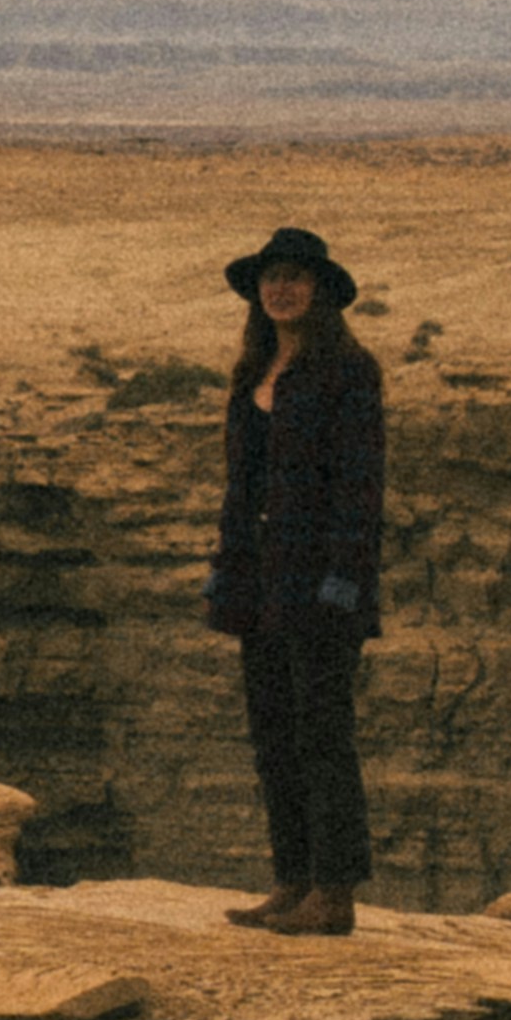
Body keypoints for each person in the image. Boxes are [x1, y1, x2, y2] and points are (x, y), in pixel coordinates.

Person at [205, 220, 383, 930]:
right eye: (272, 278)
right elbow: (239, 486)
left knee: (323, 733)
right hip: (259, 578)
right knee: (273, 729)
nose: (282, 288)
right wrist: (225, 564)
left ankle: (334, 893)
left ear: (320, 292)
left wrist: (345, 578)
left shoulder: (348, 371)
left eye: (296, 278)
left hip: (321, 580)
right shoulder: (254, 373)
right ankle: (292, 880)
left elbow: (361, 485)